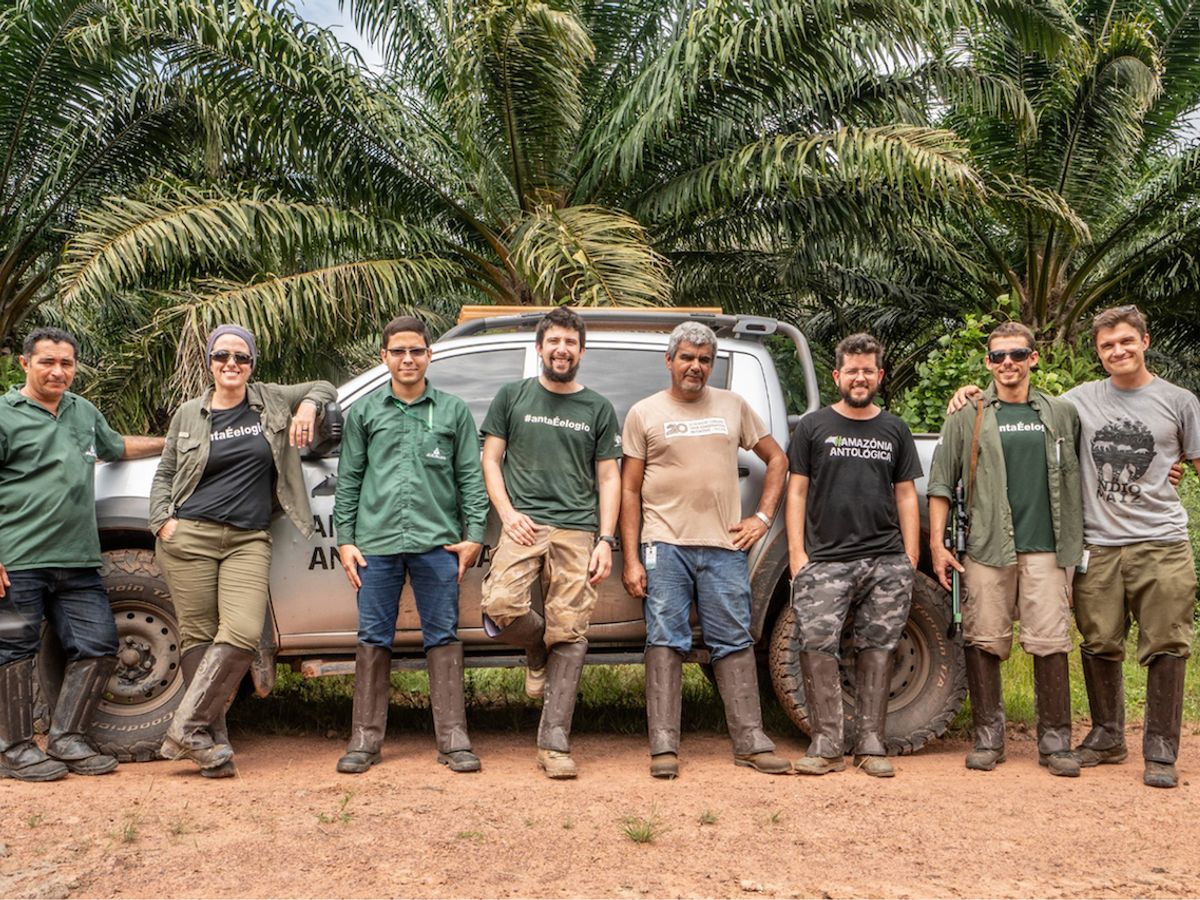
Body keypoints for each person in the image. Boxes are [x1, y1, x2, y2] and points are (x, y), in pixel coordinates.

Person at [948, 305, 1200, 788]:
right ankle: (1107, 736)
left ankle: (1161, 751)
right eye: (1107, 345)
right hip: (1098, 545)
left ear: (1145, 342)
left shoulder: (1180, 400)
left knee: (1167, 644)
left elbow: (1191, 459)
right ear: (1098, 352)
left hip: (1162, 542)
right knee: (1100, 641)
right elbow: (1017, 399)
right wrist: (968, 393)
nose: (1118, 351)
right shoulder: (1076, 402)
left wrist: (1176, 469)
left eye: (1126, 341)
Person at [150, 324, 336, 777]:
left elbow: (325, 386)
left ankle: (185, 728)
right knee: (198, 637)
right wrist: (161, 521)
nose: (231, 364)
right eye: (222, 356)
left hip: (247, 538)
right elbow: (166, 471)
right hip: (189, 536)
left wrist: (307, 407)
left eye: (241, 357)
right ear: (210, 362)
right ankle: (210, 746)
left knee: (243, 631)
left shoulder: (270, 399)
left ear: (252, 364)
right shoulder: (188, 414)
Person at [620, 322, 791, 779]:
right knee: (665, 639)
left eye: (704, 360)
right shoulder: (643, 412)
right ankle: (663, 747)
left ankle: (751, 743)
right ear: (669, 361)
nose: (695, 366)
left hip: (723, 545)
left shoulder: (733, 406)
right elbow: (629, 489)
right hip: (664, 545)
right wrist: (632, 558)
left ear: (711, 365)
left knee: (733, 638)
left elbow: (778, 459)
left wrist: (762, 518)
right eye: (687, 357)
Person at [0, 327, 163, 782]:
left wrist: (171, 443)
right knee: (12, 650)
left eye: (66, 363)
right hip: (19, 559)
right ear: (25, 364)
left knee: (98, 645)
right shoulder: (4, 415)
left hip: (77, 561)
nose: (58, 371)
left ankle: (66, 738)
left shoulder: (82, 411)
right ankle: (12, 750)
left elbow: (117, 446)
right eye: (47, 362)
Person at [333, 316, 488, 775]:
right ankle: (364, 740)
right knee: (372, 637)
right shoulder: (365, 412)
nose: (407, 359)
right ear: (384, 357)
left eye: (416, 350)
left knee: (443, 636)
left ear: (429, 355)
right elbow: (349, 480)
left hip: (437, 544)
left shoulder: (453, 411)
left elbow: (470, 478)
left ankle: (454, 739)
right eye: (398, 351)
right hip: (375, 544)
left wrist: (475, 536)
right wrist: (345, 540)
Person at [929, 322, 1084, 777]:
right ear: (988, 362)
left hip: (1047, 546)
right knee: (984, 638)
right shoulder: (969, 414)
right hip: (987, 544)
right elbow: (941, 483)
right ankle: (988, 739)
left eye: (1017, 354)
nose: (1008, 363)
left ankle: (1055, 742)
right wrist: (937, 544)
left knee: (1050, 641)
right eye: (998, 356)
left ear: (1033, 358)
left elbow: (1088, 467)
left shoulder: (1061, 413)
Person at [479, 307, 621, 779]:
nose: (562, 350)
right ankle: (537, 648)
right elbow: (491, 460)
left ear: (582, 351)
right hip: (523, 524)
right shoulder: (512, 395)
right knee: (500, 605)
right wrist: (507, 514)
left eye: (570, 343)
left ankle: (554, 743)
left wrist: (605, 539)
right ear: (539, 348)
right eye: (554, 341)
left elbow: (609, 477)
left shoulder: (597, 408)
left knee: (571, 630)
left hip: (577, 529)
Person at [785, 333, 922, 777]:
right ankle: (826, 745)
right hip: (825, 561)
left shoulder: (895, 429)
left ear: (879, 376)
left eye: (867, 370)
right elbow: (797, 491)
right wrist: (797, 554)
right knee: (816, 646)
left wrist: (910, 556)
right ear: (837, 376)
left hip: (886, 560)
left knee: (878, 647)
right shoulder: (813, 427)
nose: (859, 378)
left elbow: (906, 494)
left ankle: (870, 744)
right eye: (852, 370)